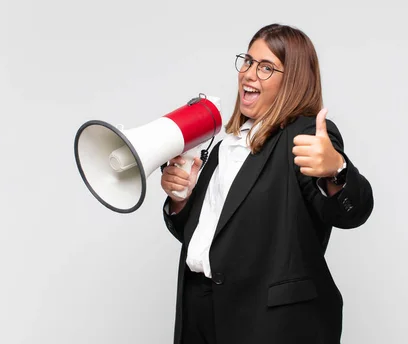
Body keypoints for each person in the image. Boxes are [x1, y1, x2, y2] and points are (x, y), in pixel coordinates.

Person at [160, 23, 374, 344]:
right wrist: (181, 200)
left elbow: (352, 212)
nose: (248, 74)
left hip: (268, 322)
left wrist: (336, 171)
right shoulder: (223, 146)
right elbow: (212, 237)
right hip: (200, 306)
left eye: (266, 68)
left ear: (292, 82)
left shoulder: (304, 136)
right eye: (247, 61)